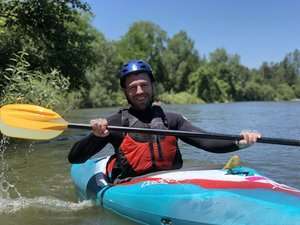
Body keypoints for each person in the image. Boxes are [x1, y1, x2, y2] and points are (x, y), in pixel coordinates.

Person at [68, 59, 261, 183]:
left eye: (144, 85)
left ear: (153, 85)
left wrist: (240, 141)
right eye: (132, 87)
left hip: (170, 182)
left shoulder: (172, 120)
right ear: (125, 92)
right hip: (131, 187)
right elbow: (75, 158)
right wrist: (94, 136)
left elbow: (205, 140)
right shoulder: (115, 123)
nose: (139, 91)